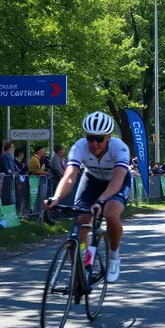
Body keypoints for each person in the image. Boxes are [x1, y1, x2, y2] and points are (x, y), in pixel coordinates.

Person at [44, 111, 130, 283]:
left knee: (111, 215)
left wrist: (101, 201)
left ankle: (114, 256)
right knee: (82, 219)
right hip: (91, 179)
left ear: (109, 137)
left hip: (115, 182)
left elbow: (118, 179)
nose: (95, 143)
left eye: (100, 138)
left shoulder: (120, 147)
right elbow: (69, 177)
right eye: (91, 138)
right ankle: (84, 261)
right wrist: (56, 198)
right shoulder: (79, 146)